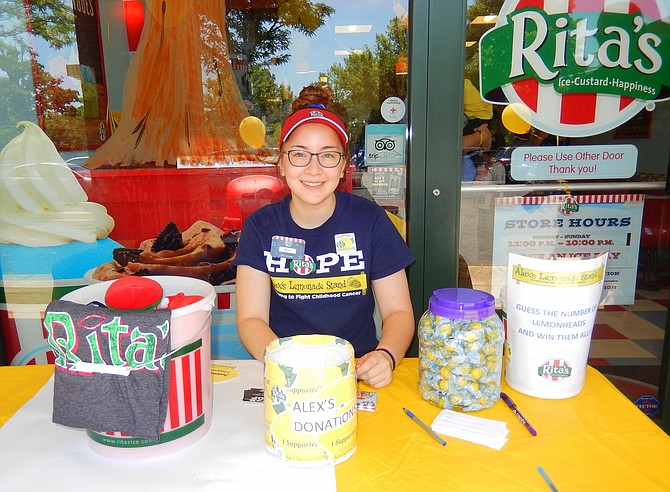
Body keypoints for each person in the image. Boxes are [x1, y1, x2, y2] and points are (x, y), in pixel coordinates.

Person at [233, 85, 415, 388]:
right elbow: (251, 321)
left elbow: (398, 312)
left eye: (328, 155)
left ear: (343, 165)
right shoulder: (260, 227)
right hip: (287, 374)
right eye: (300, 155)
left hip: (357, 374)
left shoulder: (370, 221)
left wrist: (386, 355)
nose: (314, 169)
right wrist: (290, 366)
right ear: (281, 163)